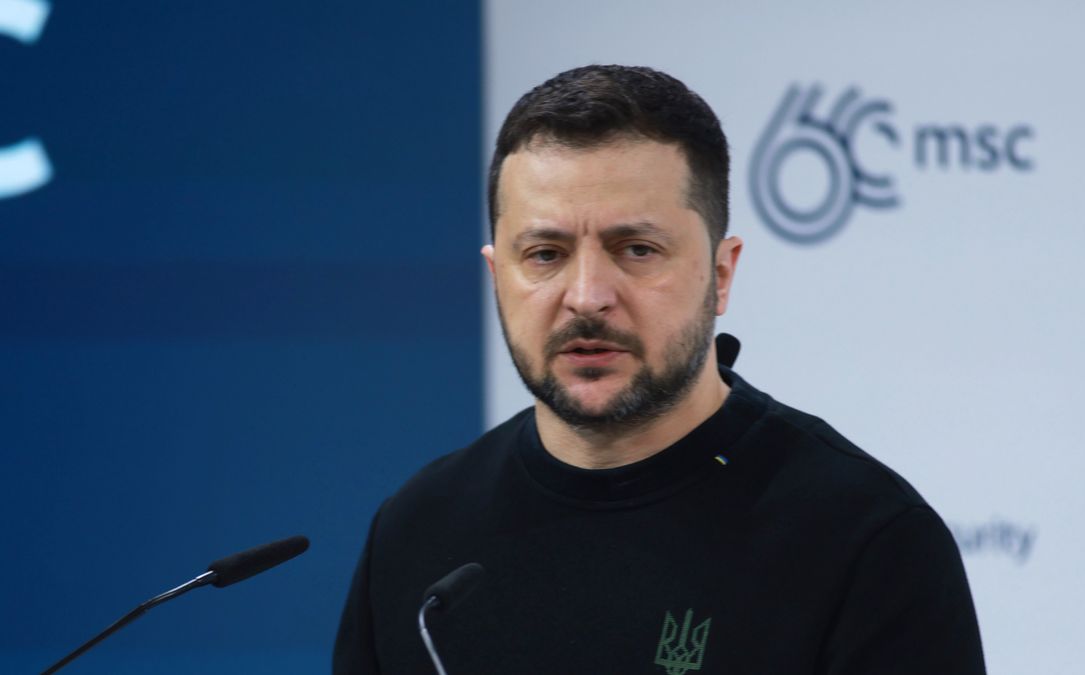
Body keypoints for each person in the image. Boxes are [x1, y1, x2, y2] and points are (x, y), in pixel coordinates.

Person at [334, 65, 986, 674]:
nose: (587, 295)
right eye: (545, 253)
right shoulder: (417, 530)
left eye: (637, 249)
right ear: (496, 275)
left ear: (721, 274)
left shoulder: (867, 542)